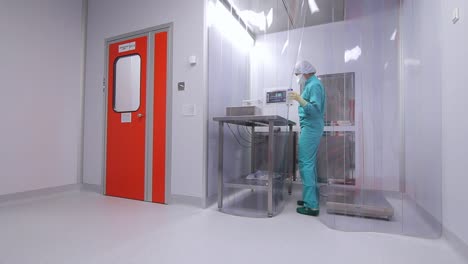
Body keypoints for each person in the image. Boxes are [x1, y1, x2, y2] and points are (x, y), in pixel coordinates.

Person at [288, 61, 326, 216]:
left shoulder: (314, 85)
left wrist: (299, 99)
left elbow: (315, 110)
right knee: (309, 163)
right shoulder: (310, 84)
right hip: (309, 127)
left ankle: (311, 206)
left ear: (305, 72)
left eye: (298, 74)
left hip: (311, 127)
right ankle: (310, 199)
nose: (298, 78)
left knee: (305, 163)